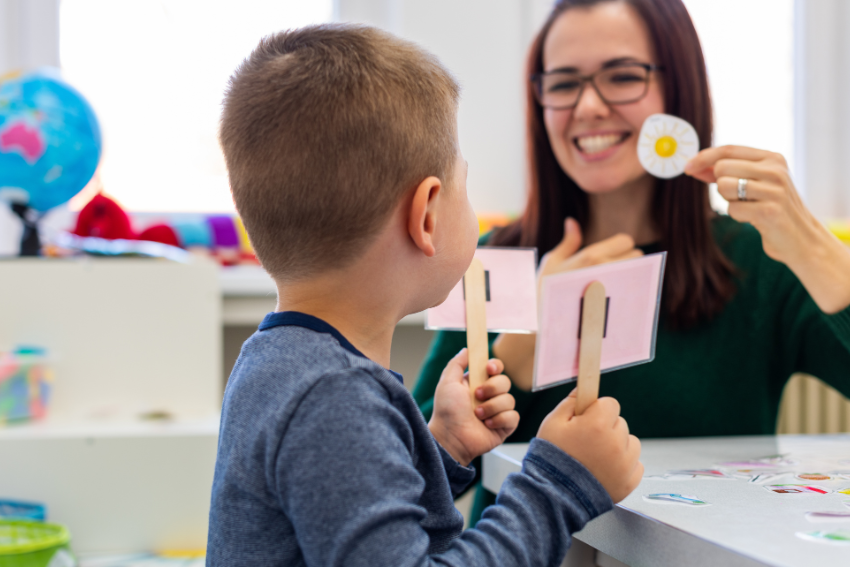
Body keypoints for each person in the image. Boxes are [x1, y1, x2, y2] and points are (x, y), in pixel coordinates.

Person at [206, 24, 643, 566]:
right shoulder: (335, 398)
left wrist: (442, 449)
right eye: (465, 185)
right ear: (428, 213)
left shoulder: (277, 364)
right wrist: (562, 482)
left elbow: (342, 520)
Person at [414, 0, 850, 526]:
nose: (589, 106)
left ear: (680, 89)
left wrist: (814, 247)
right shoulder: (487, 259)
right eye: (564, 82)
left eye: (622, 76)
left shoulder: (756, 261)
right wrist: (526, 343)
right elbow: (405, 478)